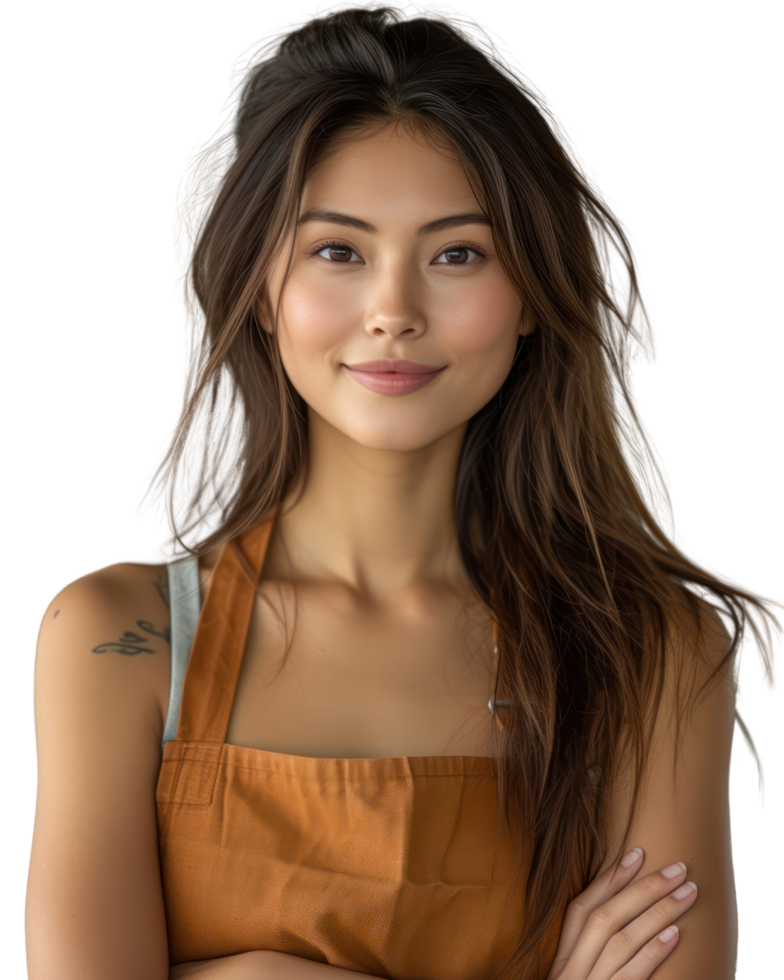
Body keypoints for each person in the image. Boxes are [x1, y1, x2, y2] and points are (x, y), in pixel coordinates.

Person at [26, 3, 781, 979]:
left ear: (529, 298)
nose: (393, 311)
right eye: (337, 250)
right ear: (260, 289)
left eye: (457, 253)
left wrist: (253, 972)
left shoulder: (654, 643)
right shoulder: (114, 637)